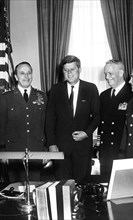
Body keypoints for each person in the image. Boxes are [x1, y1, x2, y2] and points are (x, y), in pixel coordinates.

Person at [46, 55, 100, 183]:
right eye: (66, 70)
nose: (69, 73)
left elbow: (97, 116)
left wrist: (86, 133)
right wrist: (51, 144)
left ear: (80, 69)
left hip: (83, 148)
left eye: (72, 69)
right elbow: (49, 119)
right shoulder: (55, 89)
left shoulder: (91, 89)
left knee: (81, 184)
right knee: (62, 186)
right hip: (60, 148)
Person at [0, 61, 47, 182]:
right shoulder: (6, 98)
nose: (26, 76)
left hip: (37, 149)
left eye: (29, 73)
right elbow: (1, 126)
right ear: (16, 76)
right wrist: (2, 151)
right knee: (15, 187)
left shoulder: (42, 96)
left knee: (35, 186)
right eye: (22, 73)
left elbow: (46, 125)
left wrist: (46, 150)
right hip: (14, 150)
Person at [98, 60, 133, 177]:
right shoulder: (103, 95)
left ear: (120, 73)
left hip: (122, 152)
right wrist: (99, 148)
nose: (107, 77)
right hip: (105, 152)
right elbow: (101, 125)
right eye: (105, 74)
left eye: (110, 74)